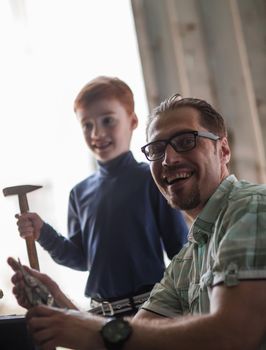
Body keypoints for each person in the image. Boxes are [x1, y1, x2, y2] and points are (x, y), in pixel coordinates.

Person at [9, 93, 266, 350]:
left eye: (186, 141)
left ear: (223, 150)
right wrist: (55, 299)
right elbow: (128, 339)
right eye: (157, 149)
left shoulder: (250, 207)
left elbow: (234, 335)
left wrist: (95, 331)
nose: (169, 159)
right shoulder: (187, 260)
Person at [15, 77, 188, 317]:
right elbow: (80, 258)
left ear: (133, 121)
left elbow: (180, 251)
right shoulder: (79, 193)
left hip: (151, 312)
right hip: (99, 317)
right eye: (87, 125)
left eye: (108, 120)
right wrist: (42, 232)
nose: (97, 133)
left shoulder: (152, 179)